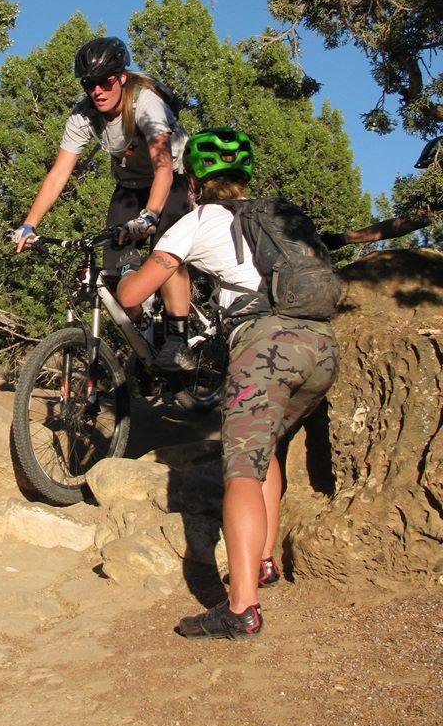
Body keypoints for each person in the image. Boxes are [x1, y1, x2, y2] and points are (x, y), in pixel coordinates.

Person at [117, 128, 340, 640]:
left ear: (194, 181)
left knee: (239, 466)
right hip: (322, 346)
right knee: (266, 451)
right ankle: (263, 562)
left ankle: (241, 608)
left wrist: (136, 272)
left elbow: (133, 294)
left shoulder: (197, 220)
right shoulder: (280, 217)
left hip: (265, 348)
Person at [11, 36, 192, 369]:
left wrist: (150, 216)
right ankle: (146, 329)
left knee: (167, 254)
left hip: (172, 182)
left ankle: (179, 341)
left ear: (121, 77)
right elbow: (58, 174)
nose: (98, 90)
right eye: (89, 84)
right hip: (128, 188)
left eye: (106, 81)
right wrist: (29, 224)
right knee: (118, 273)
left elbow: (163, 167)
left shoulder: (146, 104)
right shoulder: (83, 116)